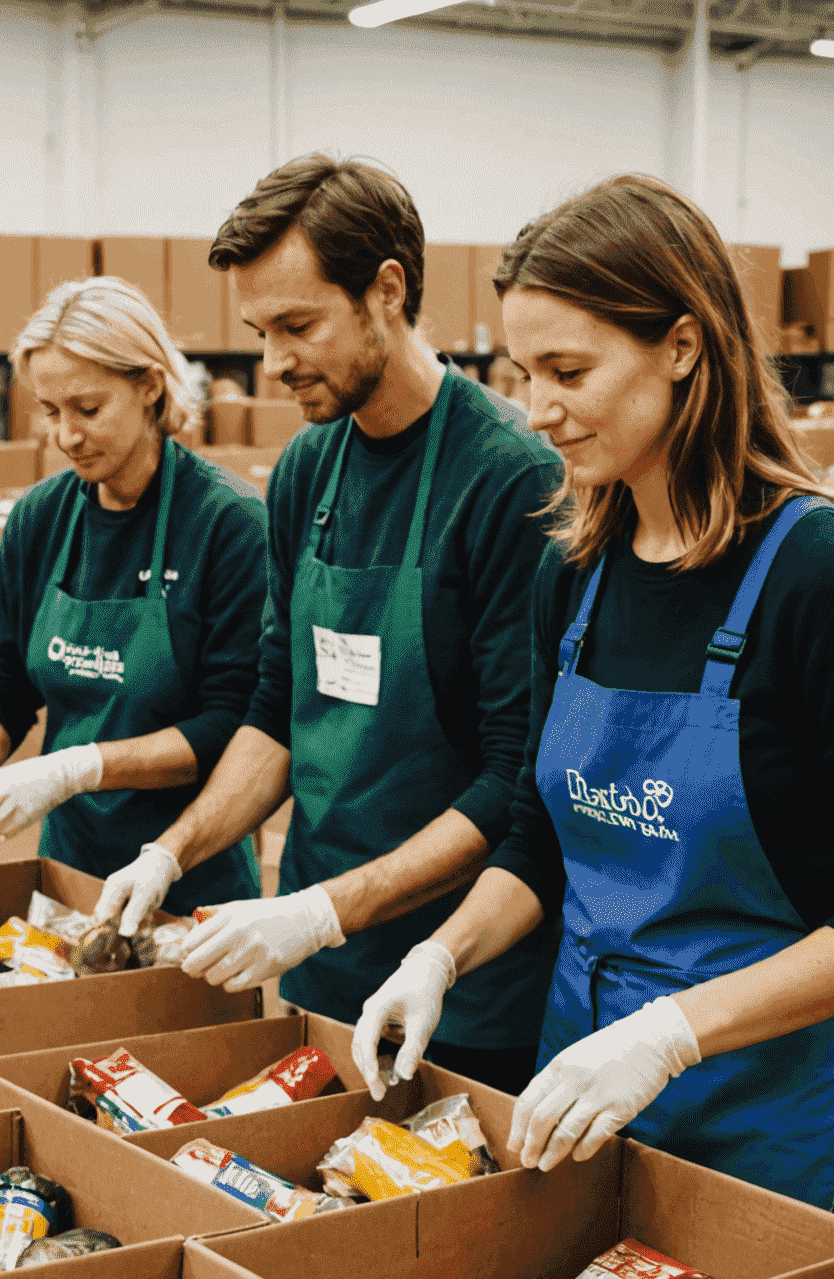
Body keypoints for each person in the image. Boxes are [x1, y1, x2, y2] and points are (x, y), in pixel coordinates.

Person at [353, 174, 834, 1222]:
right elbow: (543, 836)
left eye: (568, 370)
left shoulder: (826, 583)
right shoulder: (574, 574)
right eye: (522, 371)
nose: (536, 409)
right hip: (582, 1088)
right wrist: (439, 955)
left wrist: (671, 1035)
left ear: (682, 347)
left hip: (765, 1114)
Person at [92, 156, 563, 1091]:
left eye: (299, 325)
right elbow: (276, 707)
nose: (274, 363)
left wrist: (324, 911)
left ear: (387, 291)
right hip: (320, 964)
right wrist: (173, 849)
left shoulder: (508, 478)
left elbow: (516, 779)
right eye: (260, 331)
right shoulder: (308, 467)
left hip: (457, 987)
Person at [0, 276, 267, 911]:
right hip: (69, 870)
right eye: (50, 413)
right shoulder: (41, 520)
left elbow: (233, 728)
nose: (67, 437)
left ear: (150, 387)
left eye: (88, 408)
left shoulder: (226, 524)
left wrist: (74, 767)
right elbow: (2, 685)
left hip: (191, 878)